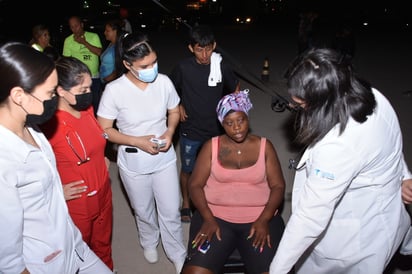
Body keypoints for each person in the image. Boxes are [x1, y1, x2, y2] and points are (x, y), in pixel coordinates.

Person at [269, 48, 411, 274]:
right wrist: (405, 175)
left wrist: (277, 269)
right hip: (377, 213)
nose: (293, 103)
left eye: (301, 103)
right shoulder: (373, 96)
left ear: (323, 102)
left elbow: (310, 217)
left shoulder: (338, 144)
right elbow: (387, 144)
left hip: (353, 241)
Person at [0, 41, 112, 274]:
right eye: (51, 93)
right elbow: (7, 255)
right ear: (19, 95)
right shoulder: (5, 159)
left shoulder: (33, 128)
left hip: (72, 243)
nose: (55, 99)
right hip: (44, 261)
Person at [96, 32, 186, 274]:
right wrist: (137, 141)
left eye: (154, 62)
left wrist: (169, 131)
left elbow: (174, 111)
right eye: (144, 66)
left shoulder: (164, 82)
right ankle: (148, 241)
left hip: (164, 159)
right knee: (143, 209)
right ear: (127, 64)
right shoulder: (115, 90)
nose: (152, 68)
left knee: (170, 210)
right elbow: (104, 130)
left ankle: (177, 252)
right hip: (133, 161)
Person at [181, 89, 285, 274]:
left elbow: (278, 186)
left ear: (247, 118)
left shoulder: (265, 146)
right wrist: (207, 218)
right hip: (216, 218)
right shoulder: (211, 147)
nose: (236, 127)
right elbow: (195, 185)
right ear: (222, 124)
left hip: (259, 219)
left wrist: (264, 219)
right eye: (229, 123)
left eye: (240, 120)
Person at [40, 57, 114, 270]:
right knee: (78, 252)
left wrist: (103, 158)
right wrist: (54, 191)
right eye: (82, 90)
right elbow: (34, 169)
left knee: (103, 245)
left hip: (103, 192)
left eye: (90, 87)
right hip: (78, 202)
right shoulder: (48, 125)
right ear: (61, 91)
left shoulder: (87, 109)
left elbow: (97, 140)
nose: (88, 94)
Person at [169, 24, 240, 223]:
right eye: (199, 49)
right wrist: (178, 104)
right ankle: (186, 203)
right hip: (191, 128)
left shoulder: (221, 66)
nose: (205, 54)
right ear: (191, 48)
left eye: (208, 48)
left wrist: (231, 108)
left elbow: (235, 87)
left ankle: (214, 199)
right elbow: (170, 89)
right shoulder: (183, 68)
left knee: (218, 166)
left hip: (216, 129)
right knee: (188, 169)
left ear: (214, 45)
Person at [63, 15, 102, 115]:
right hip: (78, 80)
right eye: (72, 27)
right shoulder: (68, 40)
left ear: (82, 25)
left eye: (76, 26)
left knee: (95, 103)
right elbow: (66, 60)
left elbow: (98, 52)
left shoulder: (93, 36)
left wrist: (84, 42)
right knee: (81, 105)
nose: (75, 29)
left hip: (94, 77)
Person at [100, 19, 125, 87]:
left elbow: (120, 65)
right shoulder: (110, 44)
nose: (105, 33)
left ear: (115, 31)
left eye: (108, 31)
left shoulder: (119, 46)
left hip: (112, 83)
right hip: (106, 82)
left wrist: (108, 79)